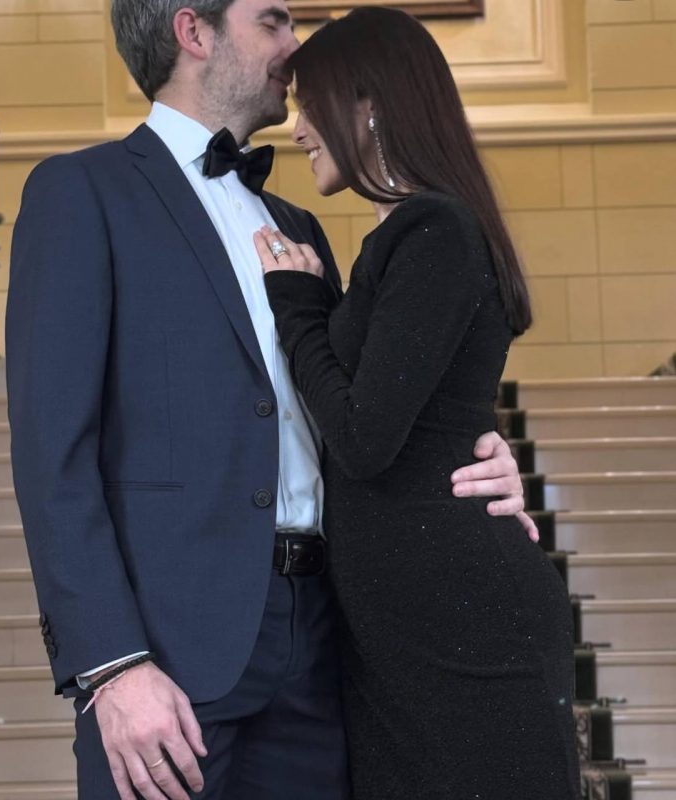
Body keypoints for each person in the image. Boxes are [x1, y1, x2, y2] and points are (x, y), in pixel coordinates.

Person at [6, 1, 534, 798]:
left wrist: (480, 456)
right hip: (168, 657)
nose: (296, 45)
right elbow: (53, 454)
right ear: (194, 32)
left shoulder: (302, 228)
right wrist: (111, 664)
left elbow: (359, 413)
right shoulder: (82, 192)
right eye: (275, 21)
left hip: (325, 647)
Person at [255, 7, 580, 800]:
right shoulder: (409, 235)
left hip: (459, 621)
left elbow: (365, 436)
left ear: (368, 103)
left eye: (312, 104)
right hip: (408, 620)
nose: (298, 128)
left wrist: (299, 313)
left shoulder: (434, 228)